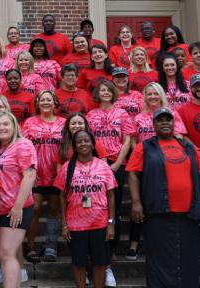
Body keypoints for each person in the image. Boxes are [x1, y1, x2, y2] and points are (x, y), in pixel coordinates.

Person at [126, 107, 200, 287]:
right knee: (159, 258)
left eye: (169, 119)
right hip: (158, 212)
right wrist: (136, 202)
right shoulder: (145, 147)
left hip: (188, 213)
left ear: (174, 123)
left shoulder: (188, 146)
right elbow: (133, 174)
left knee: (188, 257)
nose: (165, 123)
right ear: (154, 124)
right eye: (160, 120)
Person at [86, 80, 135, 286]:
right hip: (95, 165)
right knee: (95, 210)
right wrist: (99, 162)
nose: (105, 93)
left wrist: (116, 164)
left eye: (108, 90)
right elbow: (86, 139)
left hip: (116, 164)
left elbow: (126, 140)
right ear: (97, 94)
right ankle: (95, 262)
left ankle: (110, 255)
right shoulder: (91, 114)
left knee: (113, 210)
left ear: (113, 93)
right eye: (101, 90)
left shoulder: (122, 113)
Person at [54, 130, 116, 288]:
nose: (83, 144)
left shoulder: (102, 165)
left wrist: (111, 222)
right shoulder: (68, 167)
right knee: (79, 262)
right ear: (74, 146)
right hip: (76, 224)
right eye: (79, 142)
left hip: (100, 222)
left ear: (93, 144)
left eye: (86, 141)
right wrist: (64, 224)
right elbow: (62, 196)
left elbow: (111, 195)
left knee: (100, 262)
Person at [0, 111, 37, 286]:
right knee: (4, 253)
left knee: (7, 252)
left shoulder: (23, 145)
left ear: (14, 126)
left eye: (6, 124)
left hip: (15, 208)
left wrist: (18, 207)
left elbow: (30, 176)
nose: (1, 127)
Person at [22, 91, 65, 263]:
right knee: (35, 208)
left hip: (56, 173)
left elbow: (67, 146)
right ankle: (30, 246)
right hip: (37, 173)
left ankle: (50, 246)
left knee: (54, 209)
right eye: (42, 100)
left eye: (49, 100)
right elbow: (25, 147)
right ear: (37, 103)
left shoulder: (63, 122)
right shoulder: (30, 122)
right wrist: (31, 169)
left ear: (55, 103)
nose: (46, 102)